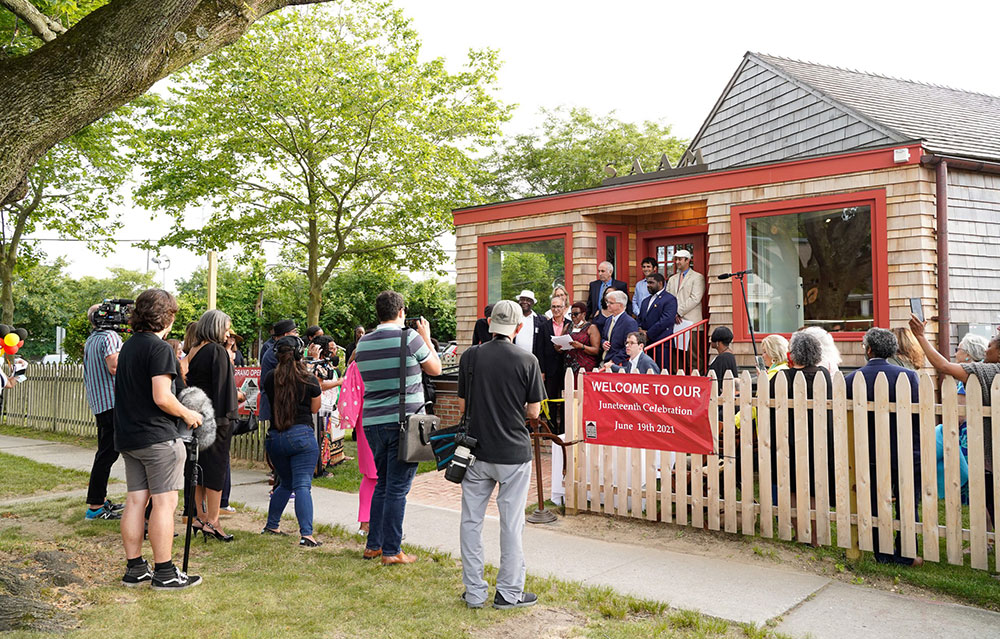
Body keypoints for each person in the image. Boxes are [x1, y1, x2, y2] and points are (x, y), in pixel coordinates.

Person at [114, 289, 203, 590]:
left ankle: (135, 568)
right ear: (168, 316)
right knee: (165, 503)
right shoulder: (160, 348)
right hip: (157, 438)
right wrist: (189, 415)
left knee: (136, 500)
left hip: (129, 436)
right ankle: (165, 572)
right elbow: (162, 397)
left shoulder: (128, 347)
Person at [457, 299, 543, 609]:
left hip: (476, 452)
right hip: (514, 453)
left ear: (491, 324)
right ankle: (508, 593)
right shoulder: (527, 360)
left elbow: (464, 407)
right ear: (518, 328)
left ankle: (475, 591)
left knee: (471, 522)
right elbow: (534, 412)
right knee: (511, 524)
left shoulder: (471, 357)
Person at [354, 290, 441, 565]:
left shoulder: (363, 343)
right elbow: (436, 369)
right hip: (404, 422)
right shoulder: (410, 338)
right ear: (401, 311)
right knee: (397, 489)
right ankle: (392, 550)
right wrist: (426, 336)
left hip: (373, 423)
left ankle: (374, 545)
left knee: (382, 483)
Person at [910, 314, 997, 529]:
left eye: (994, 340)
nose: (988, 345)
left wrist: (920, 337)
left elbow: (944, 366)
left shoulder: (989, 371)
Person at [845, 328, 922, 565]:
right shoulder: (908, 376)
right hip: (904, 447)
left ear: (869, 350)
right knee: (908, 501)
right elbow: (916, 415)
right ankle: (907, 552)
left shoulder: (851, 379)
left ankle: (882, 553)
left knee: (879, 502)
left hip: (868, 449)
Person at [768, 330, 833, 546]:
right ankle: (814, 537)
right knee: (814, 489)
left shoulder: (781, 378)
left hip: (788, 440)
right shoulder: (823, 375)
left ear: (792, 354)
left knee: (793, 488)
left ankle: (800, 534)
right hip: (819, 440)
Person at [260, 336, 323, 547]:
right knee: (302, 485)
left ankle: (272, 525)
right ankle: (307, 535)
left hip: (275, 438)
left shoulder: (270, 378)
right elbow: (315, 409)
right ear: (299, 353)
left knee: (286, 483)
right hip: (302, 437)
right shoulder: (309, 379)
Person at [185, 310, 239, 542]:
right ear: (216, 327)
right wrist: (229, 418)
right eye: (226, 327)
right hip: (216, 419)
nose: (228, 333)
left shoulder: (194, 351)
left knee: (199, 469)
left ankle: (199, 516)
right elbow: (223, 389)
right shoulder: (217, 351)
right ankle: (213, 521)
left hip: (198, 417)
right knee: (216, 470)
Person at [83, 304, 125, 521]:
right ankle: (96, 505)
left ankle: (98, 500)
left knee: (105, 453)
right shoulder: (110, 336)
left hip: (100, 402)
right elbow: (114, 367)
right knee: (108, 454)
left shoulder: (92, 338)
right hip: (112, 402)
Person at [536, 296, 572, 434]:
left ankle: (563, 429)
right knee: (550, 398)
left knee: (565, 398)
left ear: (564, 308)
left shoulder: (570, 325)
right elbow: (539, 349)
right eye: (553, 307)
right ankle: (551, 430)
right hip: (549, 368)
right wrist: (542, 371)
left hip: (566, 367)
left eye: (559, 307)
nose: (556, 309)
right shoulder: (544, 326)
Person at [258, 319, 298, 424]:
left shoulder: (278, 351)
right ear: (286, 335)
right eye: (294, 332)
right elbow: (293, 375)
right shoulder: (275, 353)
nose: (297, 335)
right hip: (274, 408)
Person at [638, 272, 678, 369]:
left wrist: (648, 334)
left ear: (660, 283)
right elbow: (640, 318)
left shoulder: (670, 299)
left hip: (662, 343)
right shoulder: (645, 301)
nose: (648, 285)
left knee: (662, 372)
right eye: (647, 283)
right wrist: (639, 330)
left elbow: (666, 320)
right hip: (646, 343)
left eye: (651, 283)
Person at [665, 249, 705, 324]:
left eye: (680, 259)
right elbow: (667, 297)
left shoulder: (697, 277)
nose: (677, 262)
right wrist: (672, 313)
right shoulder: (672, 279)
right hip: (673, 322)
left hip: (691, 322)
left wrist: (678, 312)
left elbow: (695, 298)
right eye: (676, 259)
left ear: (687, 260)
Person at [600, 290, 639, 366]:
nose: (607, 305)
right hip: (605, 360)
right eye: (607, 302)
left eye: (611, 303)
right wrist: (603, 343)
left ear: (620, 305)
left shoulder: (629, 322)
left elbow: (630, 346)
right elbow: (604, 337)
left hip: (619, 364)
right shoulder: (608, 320)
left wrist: (613, 361)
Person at [567, 301, 601, 373]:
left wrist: (581, 346)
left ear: (584, 314)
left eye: (576, 314)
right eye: (571, 314)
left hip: (585, 365)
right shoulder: (568, 326)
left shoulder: (591, 328)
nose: (573, 316)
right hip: (569, 365)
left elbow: (596, 350)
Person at [512, 290, 544, 358]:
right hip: (514, 358)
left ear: (532, 303)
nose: (525, 302)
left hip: (533, 359)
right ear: (519, 301)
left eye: (528, 300)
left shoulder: (541, 320)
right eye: (522, 299)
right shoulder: (513, 318)